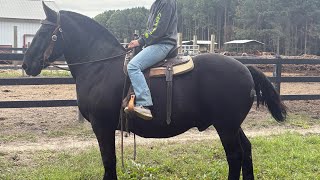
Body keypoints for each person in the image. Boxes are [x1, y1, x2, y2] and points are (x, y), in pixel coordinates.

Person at [126, 0, 178, 120]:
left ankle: (144, 103)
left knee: (133, 66)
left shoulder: (166, 2)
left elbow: (159, 29)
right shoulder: (156, 4)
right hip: (156, 43)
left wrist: (140, 41)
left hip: (163, 44)